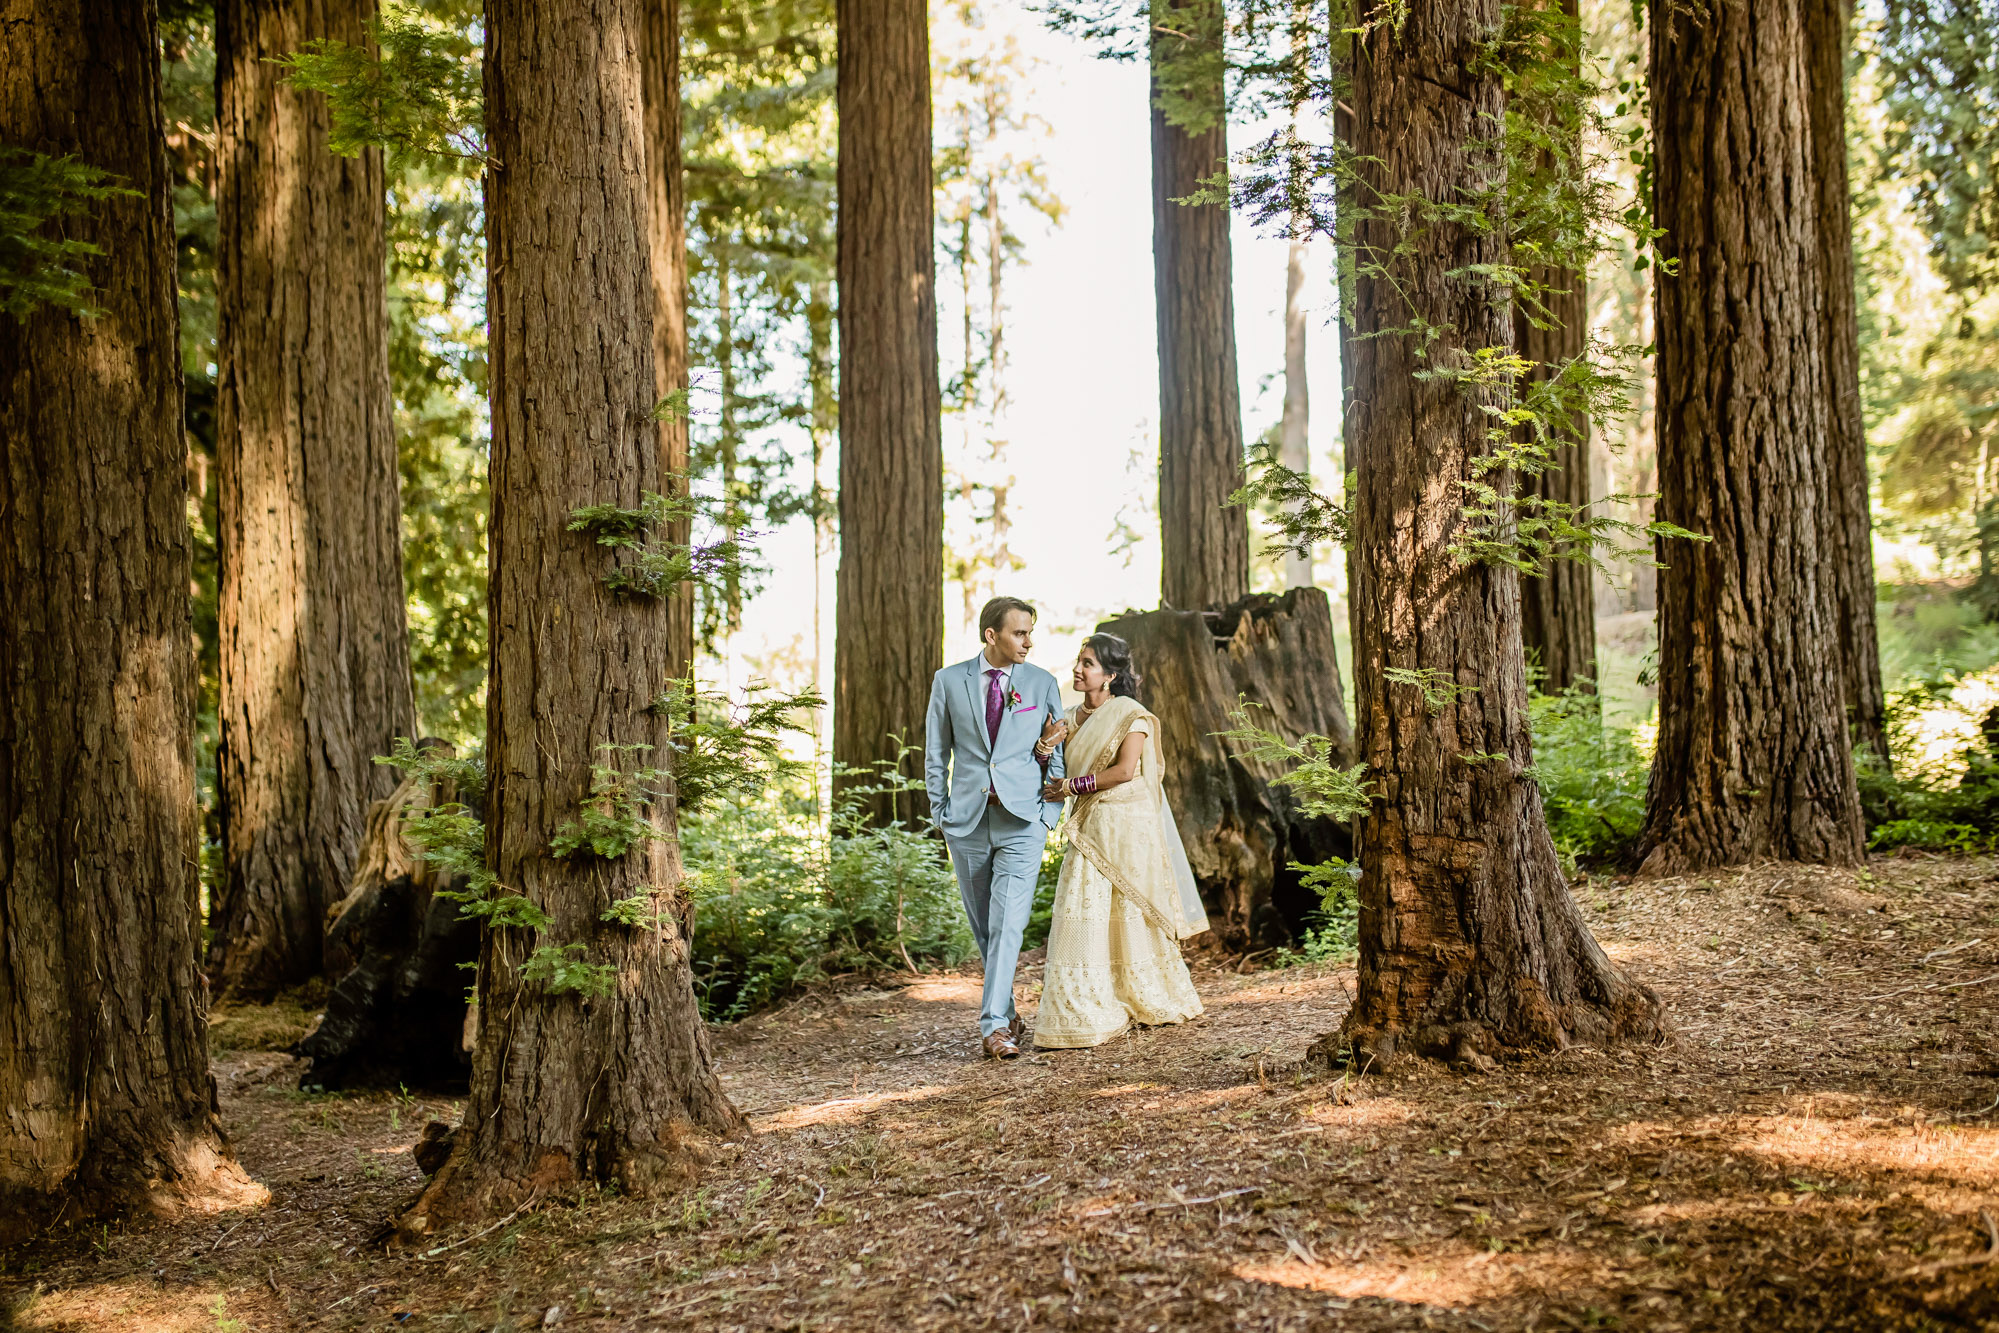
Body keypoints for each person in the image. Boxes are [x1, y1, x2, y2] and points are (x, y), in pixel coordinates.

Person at [1034, 633, 1207, 1049]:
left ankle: (1140, 993)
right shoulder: (1071, 718)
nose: (1078, 669)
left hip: (1123, 827)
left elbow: (1126, 771)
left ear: (1110, 676)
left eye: (1088, 663)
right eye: (1079, 661)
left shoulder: (1132, 715)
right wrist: (1045, 745)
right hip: (1088, 827)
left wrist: (1070, 786)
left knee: (1128, 907)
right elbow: (1045, 761)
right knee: (1083, 910)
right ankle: (1088, 1003)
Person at [925, 596, 1071, 1060]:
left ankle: (993, 1028)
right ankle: (1006, 1012)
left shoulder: (1042, 682)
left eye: (1030, 632)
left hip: (1023, 821)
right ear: (992, 635)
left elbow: (1056, 750)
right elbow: (935, 753)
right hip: (966, 821)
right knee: (986, 929)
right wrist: (939, 813)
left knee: (1009, 924)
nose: (1028, 640)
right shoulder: (948, 681)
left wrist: (1049, 815)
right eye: (1019, 633)